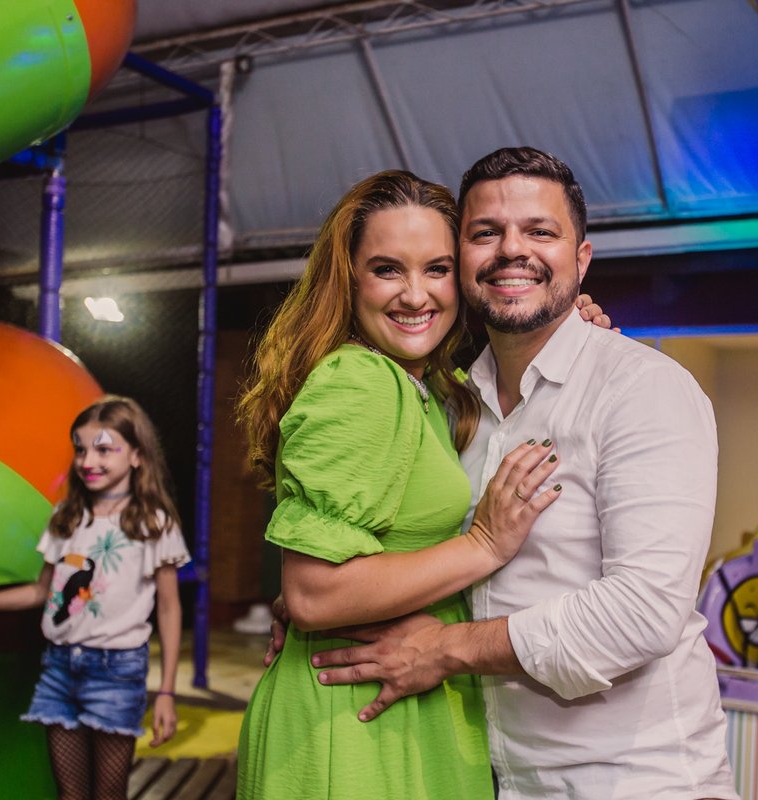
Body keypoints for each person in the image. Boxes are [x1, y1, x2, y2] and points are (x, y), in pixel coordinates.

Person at [299, 148, 739, 800]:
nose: (512, 250)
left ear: (580, 260)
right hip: (499, 780)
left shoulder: (642, 389)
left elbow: (642, 611)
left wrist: (445, 649)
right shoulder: (454, 408)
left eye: (539, 231)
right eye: (486, 232)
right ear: (460, 262)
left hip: (640, 782)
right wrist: (325, 595)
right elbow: (415, 550)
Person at [234, 170, 613, 800]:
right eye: (387, 269)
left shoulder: (432, 390)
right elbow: (313, 594)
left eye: (436, 269)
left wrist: (571, 330)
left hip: (400, 697)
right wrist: (483, 546)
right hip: (350, 717)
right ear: (348, 279)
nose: (415, 295)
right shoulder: (361, 381)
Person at [0, 395, 189, 800]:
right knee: (69, 794)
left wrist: (166, 691)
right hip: (59, 669)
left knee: (109, 795)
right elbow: (41, 591)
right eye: (80, 449)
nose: (88, 461)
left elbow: (169, 608)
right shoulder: (66, 516)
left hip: (116, 673)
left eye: (103, 449)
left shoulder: (153, 523)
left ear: (136, 455)